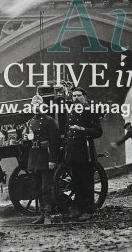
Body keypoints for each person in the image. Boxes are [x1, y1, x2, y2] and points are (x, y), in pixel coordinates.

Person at [65, 87, 103, 221]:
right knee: (76, 181)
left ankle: (89, 210)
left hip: (85, 151)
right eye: (74, 96)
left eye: (78, 95)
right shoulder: (71, 111)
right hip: (74, 151)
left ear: (84, 97)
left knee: (86, 181)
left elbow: (98, 131)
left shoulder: (90, 111)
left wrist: (82, 129)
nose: (76, 98)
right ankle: (78, 208)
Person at [25, 95, 61, 224]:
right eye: (33, 105)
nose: (36, 108)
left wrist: (53, 160)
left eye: (38, 105)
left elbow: (55, 142)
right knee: (37, 187)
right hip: (34, 158)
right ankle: (41, 213)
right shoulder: (29, 122)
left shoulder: (49, 121)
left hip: (46, 157)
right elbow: (27, 141)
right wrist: (25, 138)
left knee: (46, 187)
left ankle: (48, 215)